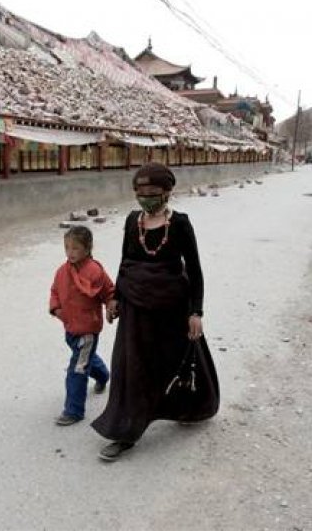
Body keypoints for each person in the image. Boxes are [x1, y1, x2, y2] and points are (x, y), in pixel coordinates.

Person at [92, 162, 220, 462]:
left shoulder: (180, 224)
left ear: (167, 192)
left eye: (153, 193)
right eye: (140, 192)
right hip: (136, 308)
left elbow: (195, 271)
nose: (146, 198)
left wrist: (196, 312)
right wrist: (115, 299)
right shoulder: (132, 221)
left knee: (178, 361)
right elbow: (125, 262)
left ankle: (189, 407)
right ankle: (124, 431)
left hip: (173, 307)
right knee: (132, 369)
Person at [49, 226, 114, 426]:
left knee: (77, 368)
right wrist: (56, 309)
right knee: (85, 359)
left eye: (75, 248)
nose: (70, 253)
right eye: (67, 248)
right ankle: (103, 375)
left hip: (88, 330)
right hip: (70, 327)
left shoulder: (95, 271)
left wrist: (112, 305)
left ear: (87, 248)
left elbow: (109, 291)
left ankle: (74, 410)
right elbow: (55, 291)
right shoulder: (62, 271)